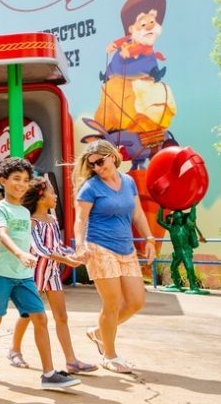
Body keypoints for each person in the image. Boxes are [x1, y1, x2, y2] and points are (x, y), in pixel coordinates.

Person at [0, 157, 81, 389]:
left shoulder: (25, 213)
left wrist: (69, 254)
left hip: (23, 277)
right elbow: (3, 234)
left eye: (25, 180)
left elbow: (40, 242)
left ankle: (49, 374)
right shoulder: (0, 209)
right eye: (16, 179)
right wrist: (20, 254)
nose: (21, 184)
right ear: (3, 181)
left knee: (40, 317)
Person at [73, 140, 156, 374]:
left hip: (126, 248)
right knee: (112, 304)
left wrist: (149, 238)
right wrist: (80, 246)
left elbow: (137, 212)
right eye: (93, 165)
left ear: (113, 156)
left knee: (136, 302)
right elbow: (80, 219)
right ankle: (109, 355)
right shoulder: (90, 187)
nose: (98, 168)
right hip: (99, 247)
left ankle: (99, 332)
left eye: (100, 161)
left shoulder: (128, 181)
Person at [8, 177, 97, 374]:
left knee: (61, 317)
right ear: (41, 197)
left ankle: (71, 361)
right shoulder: (30, 222)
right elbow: (39, 248)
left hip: (52, 273)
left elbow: (56, 247)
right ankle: (14, 350)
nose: (55, 196)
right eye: (52, 192)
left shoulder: (53, 219)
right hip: (34, 274)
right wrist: (67, 260)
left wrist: (73, 254)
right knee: (27, 314)